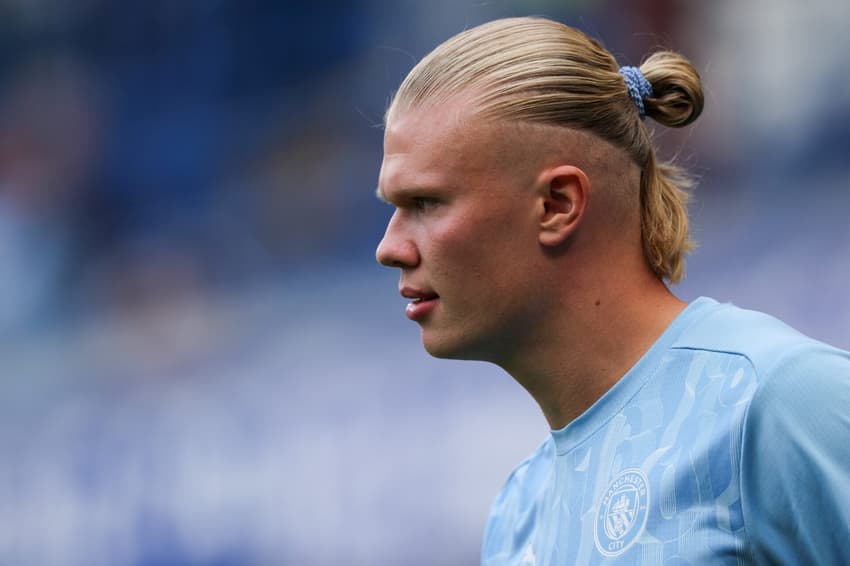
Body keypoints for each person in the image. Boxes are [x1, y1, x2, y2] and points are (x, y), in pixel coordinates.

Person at [374, 16, 850, 565]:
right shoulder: (519, 512)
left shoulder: (776, 401)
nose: (389, 247)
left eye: (426, 203)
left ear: (558, 204)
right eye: (393, 209)